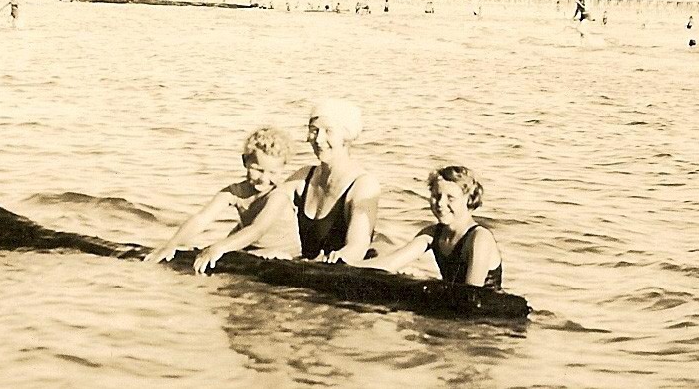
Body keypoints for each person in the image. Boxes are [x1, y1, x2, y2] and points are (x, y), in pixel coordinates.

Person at [193, 100, 381, 273]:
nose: (318, 139)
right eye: (314, 130)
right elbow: (259, 214)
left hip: (339, 275)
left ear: (347, 137)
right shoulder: (304, 176)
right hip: (303, 270)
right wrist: (230, 246)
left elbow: (357, 247)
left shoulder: (364, 185)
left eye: (328, 131)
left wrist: (336, 260)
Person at [145, 127, 299, 264]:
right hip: (251, 250)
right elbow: (202, 218)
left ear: (283, 169)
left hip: (284, 256)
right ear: (245, 161)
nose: (264, 179)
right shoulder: (234, 192)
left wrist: (218, 247)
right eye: (258, 170)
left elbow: (258, 229)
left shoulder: (279, 195)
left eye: (273, 172)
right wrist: (171, 244)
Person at [356, 166, 502, 289]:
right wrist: (350, 266)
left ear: (469, 200)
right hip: (455, 301)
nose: (440, 203)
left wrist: (427, 281)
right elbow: (389, 263)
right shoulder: (432, 234)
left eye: (450, 198)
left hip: (485, 311)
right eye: (436, 196)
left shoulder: (480, 238)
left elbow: (471, 292)